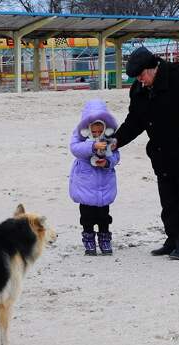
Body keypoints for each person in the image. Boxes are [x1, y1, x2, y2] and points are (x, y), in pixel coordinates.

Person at [114, 47, 179, 260]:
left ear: (153, 68)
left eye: (142, 76)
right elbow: (135, 121)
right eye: (137, 78)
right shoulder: (138, 89)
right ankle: (172, 239)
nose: (140, 81)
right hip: (161, 154)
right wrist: (116, 141)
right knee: (168, 202)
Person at [69, 99, 121, 256]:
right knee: (86, 215)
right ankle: (88, 238)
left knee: (104, 215)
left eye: (100, 131)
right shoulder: (81, 138)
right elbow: (75, 148)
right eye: (94, 131)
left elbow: (116, 156)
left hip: (104, 183)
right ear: (87, 128)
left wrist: (107, 162)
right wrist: (92, 146)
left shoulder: (109, 140)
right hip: (85, 183)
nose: (97, 134)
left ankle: (105, 237)